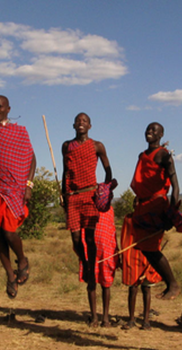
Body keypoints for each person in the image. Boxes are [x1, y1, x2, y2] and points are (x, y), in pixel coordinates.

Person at [0, 95, 36, 299]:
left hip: (16, 189)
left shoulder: (19, 132)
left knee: (9, 232)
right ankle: (10, 275)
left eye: (0, 106)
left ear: (8, 109)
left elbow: (31, 158)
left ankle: (23, 260)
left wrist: (29, 185)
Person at [62, 112, 112, 327]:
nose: (81, 123)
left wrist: (106, 190)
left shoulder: (97, 146)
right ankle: (87, 264)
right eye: (78, 121)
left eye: (84, 121)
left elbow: (108, 170)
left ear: (90, 126)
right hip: (72, 197)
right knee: (75, 239)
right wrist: (63, 194)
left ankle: (90, 267)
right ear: (73, 125)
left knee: (90, 238)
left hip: (90, 194)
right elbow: (65, 172)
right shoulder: (67, 146)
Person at [130, 122, 181, 300]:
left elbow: (175, 186)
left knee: (150, 248)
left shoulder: (164, 156)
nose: (150, 132)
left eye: (154, 130)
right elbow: (141, 181)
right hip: (143, 206)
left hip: (157, 205)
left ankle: (173, 284)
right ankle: (170, 283)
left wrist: (172, 213)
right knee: (145, 247)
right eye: (148, 129)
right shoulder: (142, 155)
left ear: (161, 135)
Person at [120, 213, 162, 330]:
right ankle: (131, 319)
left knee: (146, 288)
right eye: (135, 202)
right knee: (132, 288)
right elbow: (124, 237)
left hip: (147, 254)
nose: (137, 205)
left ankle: (146, 320)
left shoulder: (151, 218)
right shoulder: (128, 218)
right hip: (131, 253)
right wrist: (124, 255)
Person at [78, 207, 118, 327]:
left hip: (107, 250)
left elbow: (113, 230)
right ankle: (94, 316)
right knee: (91, 283)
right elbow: (81, 230)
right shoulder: (87, 208)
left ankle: (105, 318)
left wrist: (117, 250)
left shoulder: (109, 209)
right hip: (90, 251)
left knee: (106, 284)